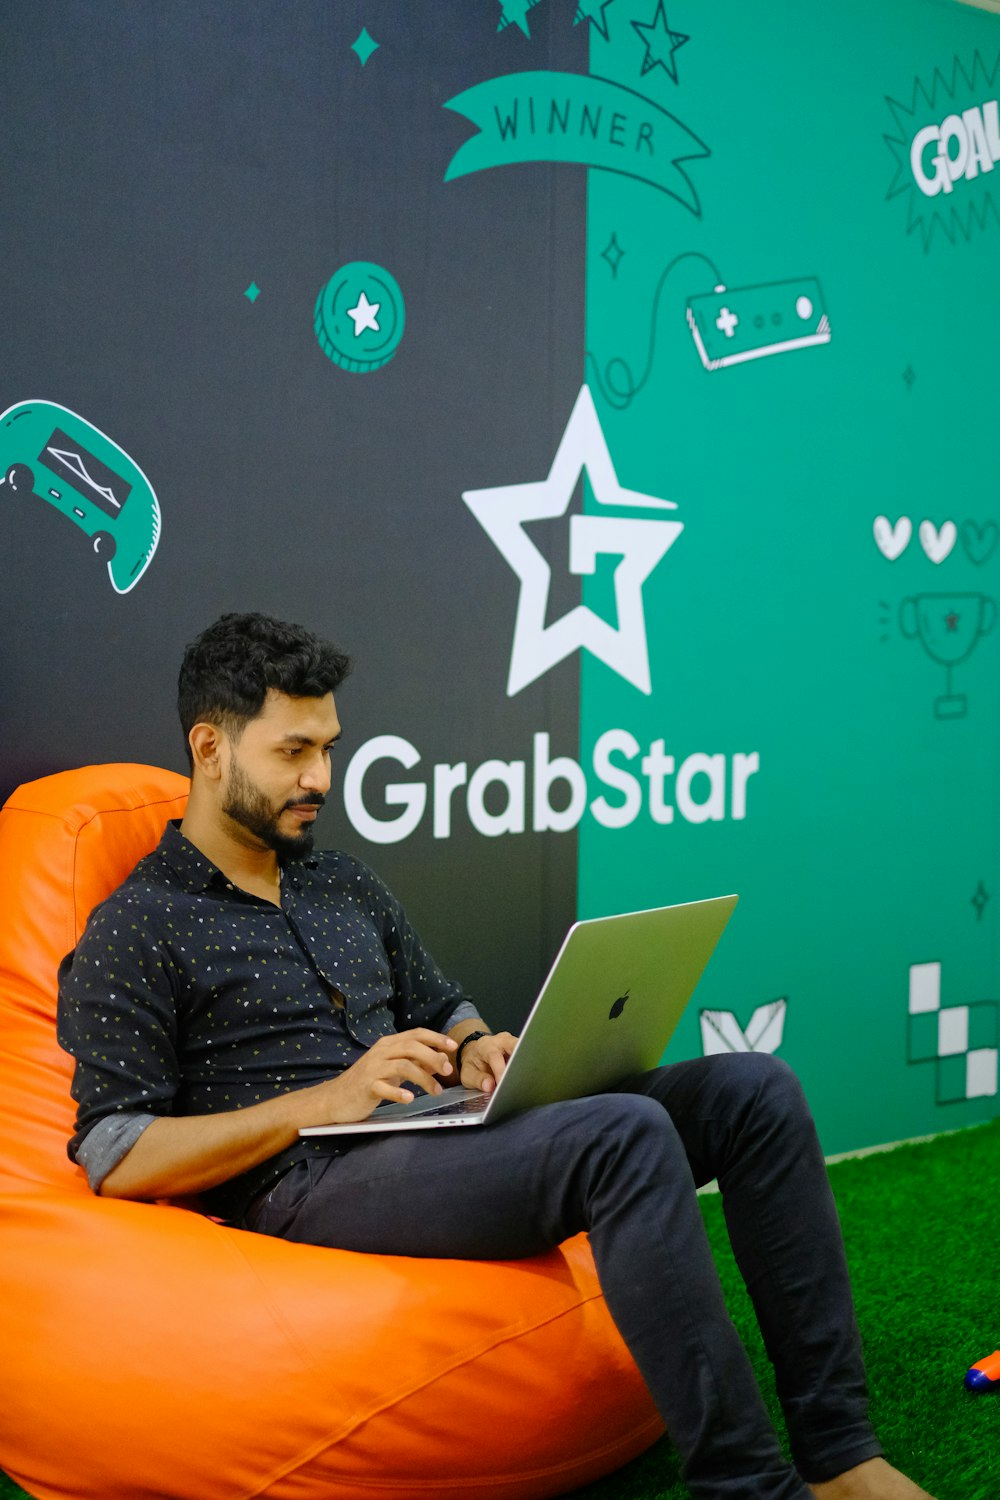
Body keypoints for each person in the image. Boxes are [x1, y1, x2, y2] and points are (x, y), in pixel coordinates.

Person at [57, 612, 936, 1500]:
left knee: (753, 1088)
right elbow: (116, 1153)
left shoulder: (341, 881)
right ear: (210, 748)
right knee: (622, 1136)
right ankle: (748, 1490)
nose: (320, 778)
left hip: (423, 1135)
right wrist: (317, 1103)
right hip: (300, 1183)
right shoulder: (136, 926)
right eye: (293, 753)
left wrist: (478, 1047)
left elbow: (442, 1003)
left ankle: (841, 1455)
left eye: (329, 748)